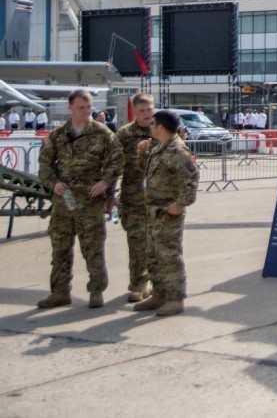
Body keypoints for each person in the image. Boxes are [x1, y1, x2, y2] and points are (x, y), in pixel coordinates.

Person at [36, 89, 123, 309]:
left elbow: (117, 161)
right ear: (70, 108)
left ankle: (96, 291)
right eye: (81, 107)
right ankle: (60, 292)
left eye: (88, 107)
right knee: (60, 247)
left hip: (90, 201)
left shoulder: (103, 133)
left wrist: (105, 181)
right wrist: (54, 182)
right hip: (64, 200)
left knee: (92, 248)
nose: (85, 111)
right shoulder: (58, 135)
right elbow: (45, 164)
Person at [133, 109, 199, 317]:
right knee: (153, 255)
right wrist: (142, 152)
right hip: (154, 212)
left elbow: (192, 180)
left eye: (152, 124)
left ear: (161, 127)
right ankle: (159, 294)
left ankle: (175, 298)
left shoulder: (177, 151)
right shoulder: (159, 148)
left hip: (168, 213)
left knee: (169, 256)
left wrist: (180, 204)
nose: (149, 127)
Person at [115, 93, 156, 303]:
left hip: (160, 199)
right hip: (134, 198)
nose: (147, 114)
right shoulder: (125, 134)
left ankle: (158, 283)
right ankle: (139, 283)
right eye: (142, 111)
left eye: (149, 109)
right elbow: (113, 164)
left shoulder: (163, 130)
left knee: (160, 243)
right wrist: (108, 195)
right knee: (137, 241)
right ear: (135, 111)